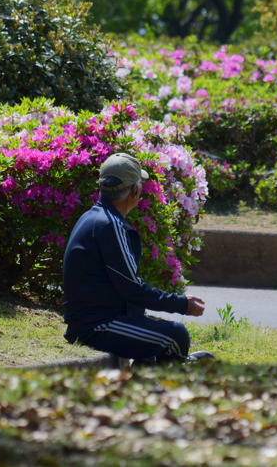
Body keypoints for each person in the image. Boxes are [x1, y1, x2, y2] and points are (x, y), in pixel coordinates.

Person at [62, 152, 212, 364]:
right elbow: (132, 289)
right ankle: (178, 373)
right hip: (96, 326)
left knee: (155, 346)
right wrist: (181, 304)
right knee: (175, 336)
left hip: (99, 319)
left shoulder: (95, 217)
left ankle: (164, 372)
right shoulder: (109, 225)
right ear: (135, 190)